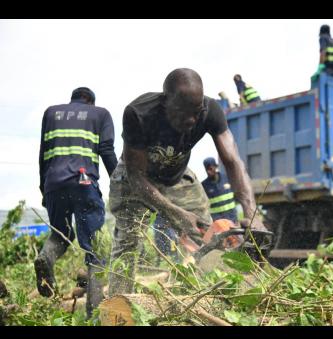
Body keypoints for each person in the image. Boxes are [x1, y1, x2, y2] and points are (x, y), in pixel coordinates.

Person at [108, 68, 267, 295]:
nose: (192, 120)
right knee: (128, 241)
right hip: (136, 178)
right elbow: (136, 177)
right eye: (183, 114)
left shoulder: (211, 111)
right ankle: (116, 311)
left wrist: (251, 213)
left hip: (176, 175)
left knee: (207, 234)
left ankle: (211, 297)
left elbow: (233, 162)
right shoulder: (139, 113)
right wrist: (175, 213)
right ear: (166, 104)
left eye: (197, 112)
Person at [36, 87, 117, 318]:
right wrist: (120, 183)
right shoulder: (100, 114)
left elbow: (43, 154)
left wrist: (45, 188)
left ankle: (46, 257)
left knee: (61, 233)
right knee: (95, 248)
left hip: (53, 183)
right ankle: (95, 314)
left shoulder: (51, 113)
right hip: (83, 183)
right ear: (90, 101)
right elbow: (107, 151)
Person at [201, 157, 238, 224]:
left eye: (210, 169)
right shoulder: (204, 185)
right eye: (207, 169)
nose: (208, 172)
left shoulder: (227, 178)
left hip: (232, 218)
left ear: (216, 166)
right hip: (218, 221)